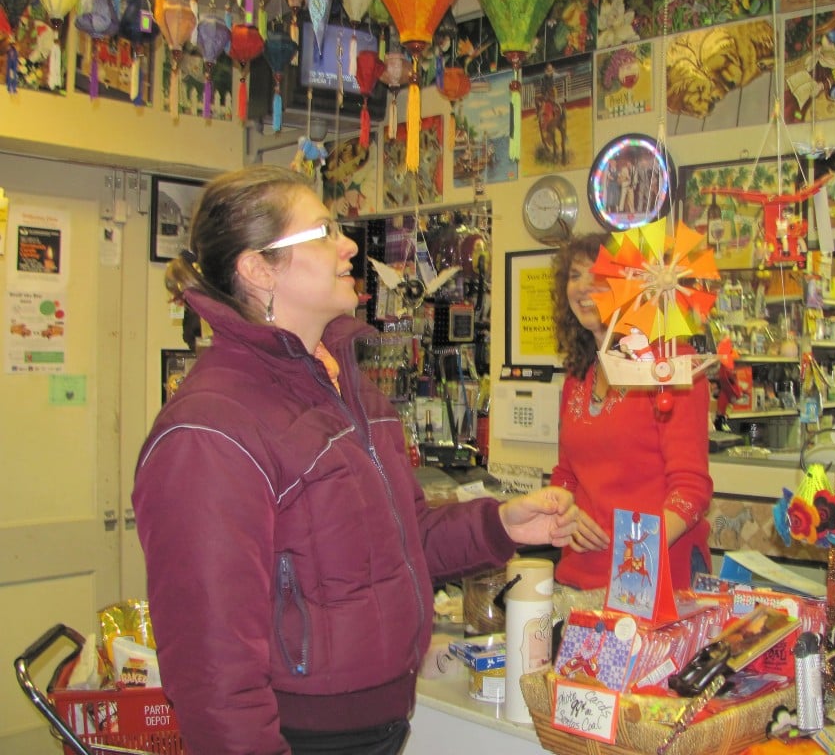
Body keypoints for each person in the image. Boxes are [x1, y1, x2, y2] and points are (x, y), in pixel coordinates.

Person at [131, 165, 577, 755]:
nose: (347, 245)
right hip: (300, 737)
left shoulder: (347, 388)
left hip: (381, 725)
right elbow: (212, 671)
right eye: (321, 232)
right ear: (258, 267)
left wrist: (499, 524)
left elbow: (401, 540)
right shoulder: (211, 428)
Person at [549, 233, 713, 593]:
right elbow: (566, 474)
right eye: (575, 276)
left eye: (600, 276)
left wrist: (636, 557)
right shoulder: (578, 377)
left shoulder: (671, 367)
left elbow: (691, 490)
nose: (584, 287)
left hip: (654, 581)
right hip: (578, 578)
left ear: (632, 288)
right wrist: (564, 515)